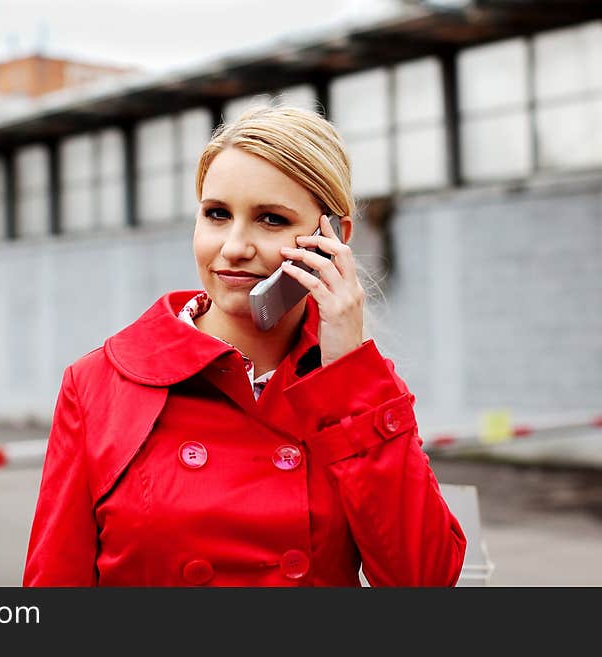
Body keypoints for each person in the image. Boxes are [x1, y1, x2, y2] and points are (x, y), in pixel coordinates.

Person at [23, 105, 466, 587]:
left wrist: (346, 368)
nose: (234, 246)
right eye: (216, 214)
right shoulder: (98, 384)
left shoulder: (358, 390)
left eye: (270, 219)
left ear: (333, 238)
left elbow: (424, 579)